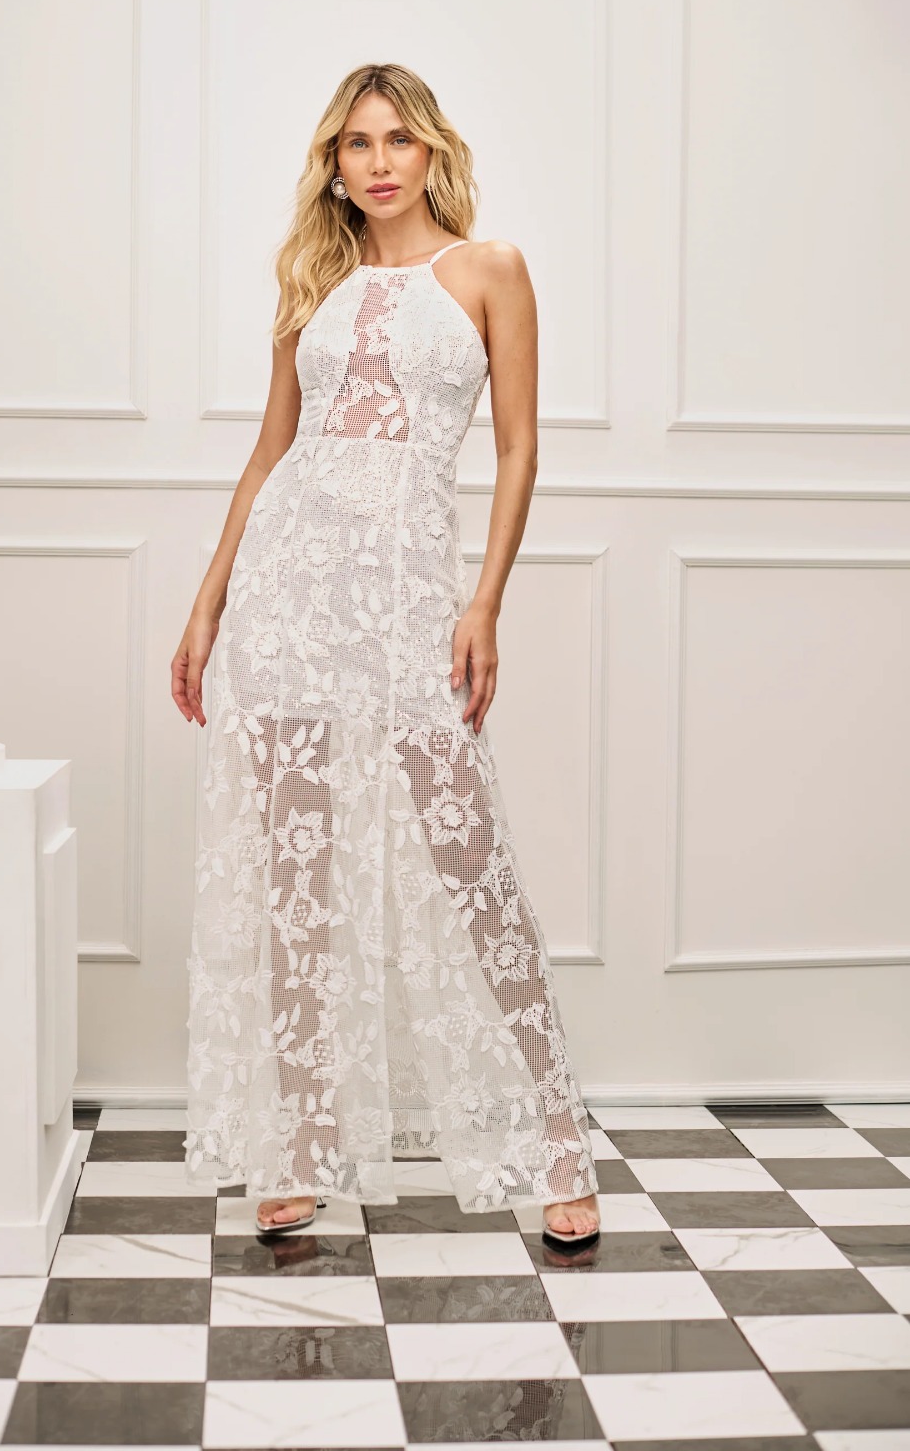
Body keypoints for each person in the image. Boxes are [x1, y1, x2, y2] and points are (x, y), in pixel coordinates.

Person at [172, 63, 601, 1249]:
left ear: (430, 151)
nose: (378, 162)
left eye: (397, 139)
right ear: (334, 163)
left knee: (470, 865)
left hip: (410, 600)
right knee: (297, 882)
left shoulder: (489, 270)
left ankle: (557, 1144)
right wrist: (209, 607)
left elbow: (518, 450)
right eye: (356, 143)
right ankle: (300, 1145)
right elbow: (269, 455)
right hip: (288, 598)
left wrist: (484, 602)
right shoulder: (311, 281)